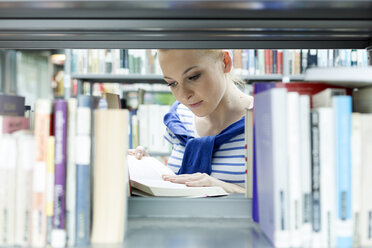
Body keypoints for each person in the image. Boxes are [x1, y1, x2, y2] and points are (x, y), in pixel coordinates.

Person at [129, 50, 253, 193]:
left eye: (193, 77)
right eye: (172, 83)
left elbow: (279, 203)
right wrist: (148, 168)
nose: (183, 95)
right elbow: (180, 183)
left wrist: (225, 189)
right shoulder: (179, 119)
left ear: (225, 62)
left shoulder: (265, 121)